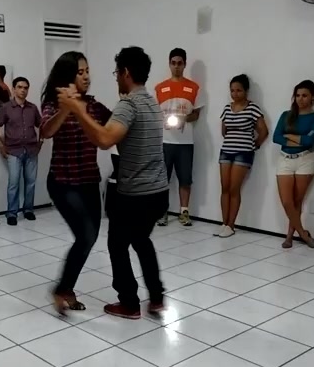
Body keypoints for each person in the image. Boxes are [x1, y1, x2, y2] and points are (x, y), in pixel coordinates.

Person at [57, 46, 168, 320]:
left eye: (117, 72)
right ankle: (156, 297)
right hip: (159, 192)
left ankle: (129, 303)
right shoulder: (152, 102)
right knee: (141, 240)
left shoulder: (129, 105)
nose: (116, 77)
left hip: (136, 194)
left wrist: (77, 109)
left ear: (125, 73)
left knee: (117, 244)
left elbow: (105, 139)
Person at [41, 52, 111, 315]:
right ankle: (62, 289)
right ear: (68, 76)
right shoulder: (54, 103)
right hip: (63, 182)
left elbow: (114, 125)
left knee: (89, 238)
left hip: (90, 180)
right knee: (86, 235)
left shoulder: (94, 106)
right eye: (80, 72)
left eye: (87, 71)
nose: (86, 77)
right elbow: (46, 131)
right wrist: (67, 108)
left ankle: (66, 288)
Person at [273, 80, 314, 249]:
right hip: (285, 159)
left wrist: (288, 135)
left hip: (305, 160)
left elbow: (309, 141)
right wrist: (298, 139)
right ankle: (302, 233)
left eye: (305, 95)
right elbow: (276, 137)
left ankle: (289, 237)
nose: (300, 99)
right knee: (287, 202)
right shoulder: (286, 115)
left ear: (313, 97)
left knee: (297, 201)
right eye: (298, 95)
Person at [217, 74, 268, 238]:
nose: (235, 94)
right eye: (232, 90)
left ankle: (231, 225)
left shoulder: (253, 108)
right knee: (224, 187)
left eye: (239, 90)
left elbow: (263, 131)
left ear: (246, 91)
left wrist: (255, 145)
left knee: (234, 188)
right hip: (226, 150)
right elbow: (224, 130)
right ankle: (224, 223)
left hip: (243, 152)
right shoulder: (227, 108)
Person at [155, 48, 201, 227]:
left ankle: (184, 212)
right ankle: (162, 212)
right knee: (163, 180)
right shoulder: (159, 88)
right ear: (169, 64)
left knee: (185, 179)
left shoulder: (194, 88)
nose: (176, 66)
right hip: (165, 141)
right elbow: (156, 114)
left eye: (179, 63)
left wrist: (184, 118)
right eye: (173, 63)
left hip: (185, 142)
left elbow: (196, 114)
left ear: (184, 64)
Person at [0, 77, 42, 226]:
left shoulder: (33, 108)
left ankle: (28, 210)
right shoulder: (6, 108)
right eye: (20, 87)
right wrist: (1, 146)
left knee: (30, 182)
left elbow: (42, 125)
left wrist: (41, 142)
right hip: (14, 151)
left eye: (26, 88)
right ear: (13, 89)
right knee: (14, 183)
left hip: (31, 151)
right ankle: (12, 213)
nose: (23, 90)